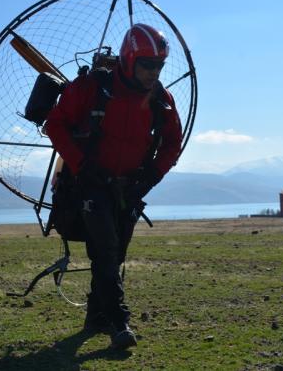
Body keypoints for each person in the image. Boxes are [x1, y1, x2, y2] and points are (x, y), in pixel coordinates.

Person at [44, 24, 183, 349]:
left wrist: (149, 178)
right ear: (130, 58)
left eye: (159, 66)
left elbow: (172, 143)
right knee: (105, 250)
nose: (153, 72)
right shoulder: (92, 88)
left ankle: (96, 316)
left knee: (114, 253)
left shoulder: (161, 100)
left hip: (129, 188)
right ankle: (119, 322)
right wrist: (83, 166)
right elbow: (55, 124)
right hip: (89, 185)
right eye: (148, 64)